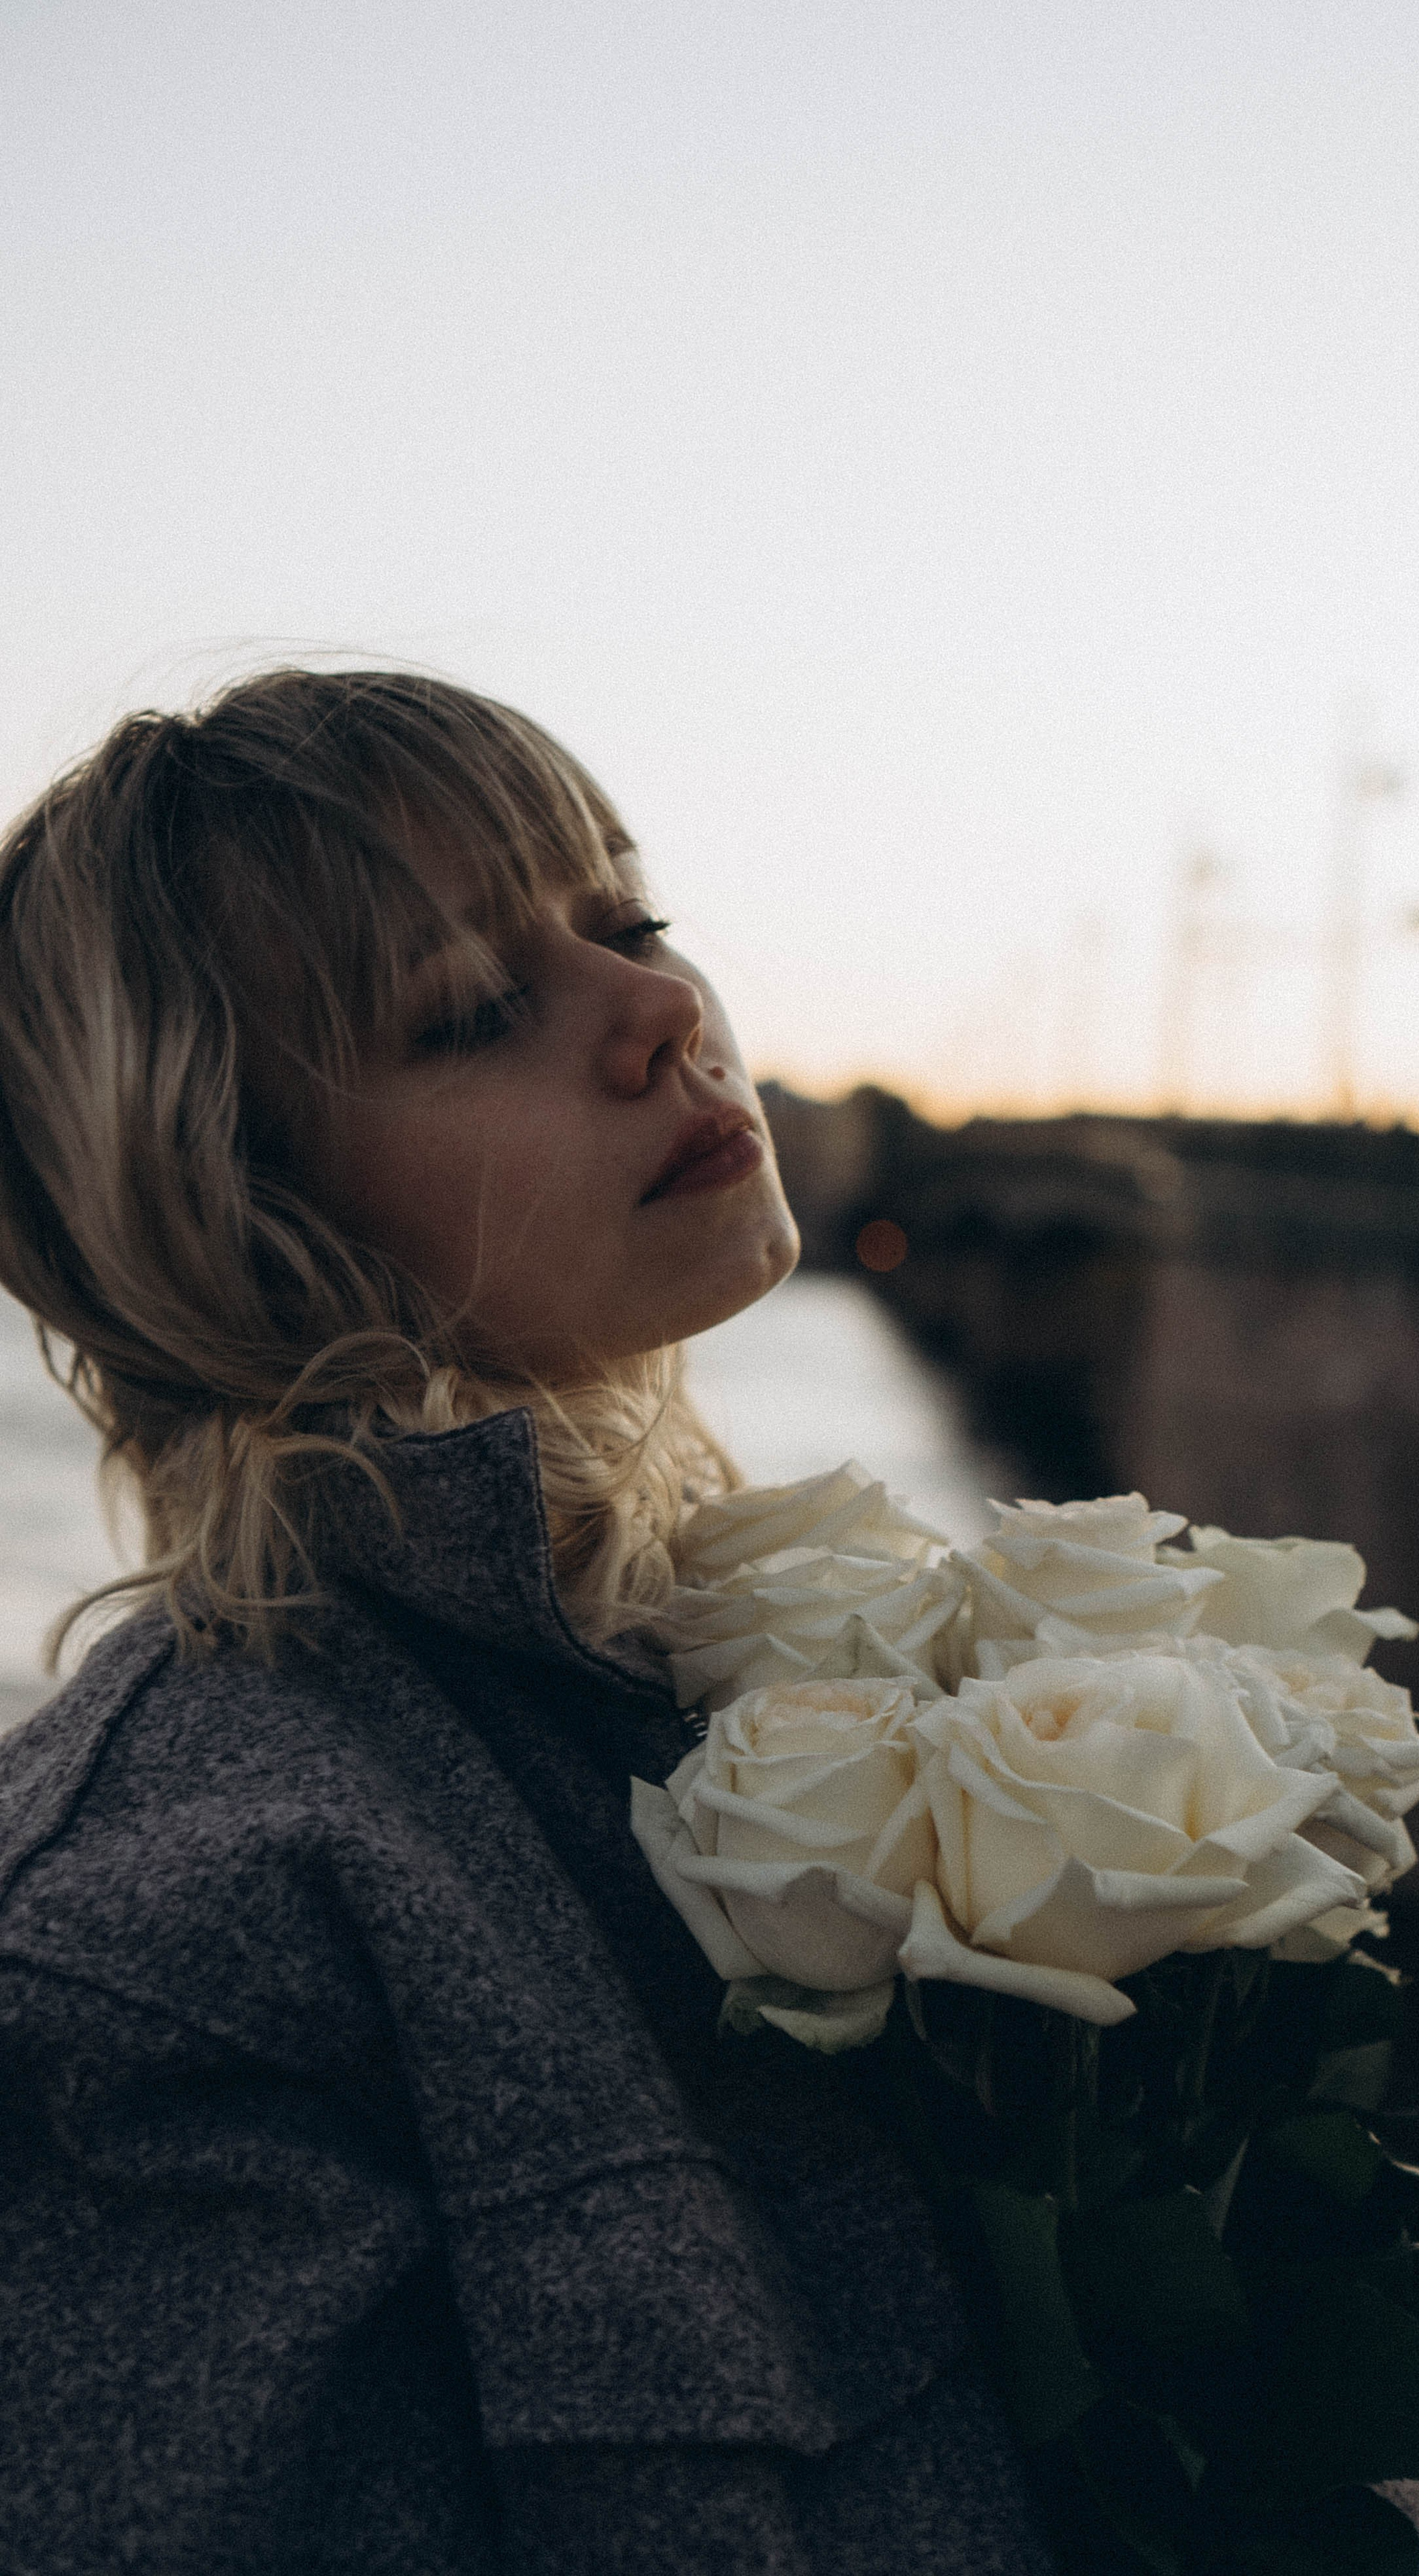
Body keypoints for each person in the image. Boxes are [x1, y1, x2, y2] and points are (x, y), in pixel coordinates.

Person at [0, 672, 1054, 2575]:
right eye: (477, 1009)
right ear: (227, 1200)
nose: (664, 1011)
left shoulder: (683, 1663)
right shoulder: (172, 1930)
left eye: (629, 922)